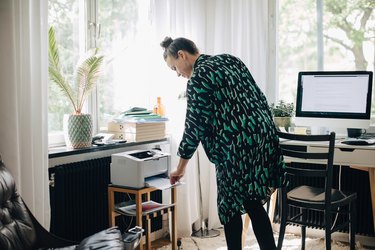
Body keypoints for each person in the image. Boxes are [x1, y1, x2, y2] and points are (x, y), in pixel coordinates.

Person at [160, 36, 286, 250]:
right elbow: (259, 96)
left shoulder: (199, 76)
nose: (178, 74)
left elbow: (193, 127)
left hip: (236, 146)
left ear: (182, 55)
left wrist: (180, 168)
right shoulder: (230, 60)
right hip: (263, 137)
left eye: (175, 68)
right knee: (252, 201)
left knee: (229, 207)